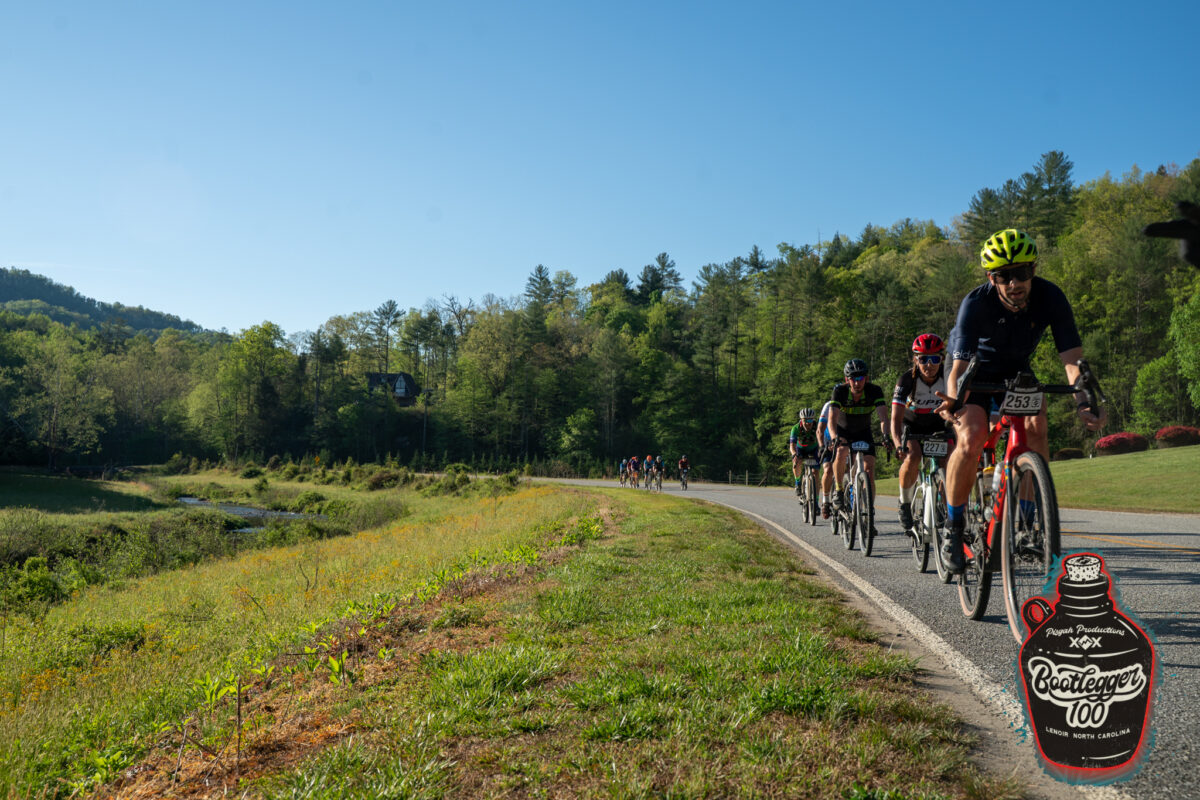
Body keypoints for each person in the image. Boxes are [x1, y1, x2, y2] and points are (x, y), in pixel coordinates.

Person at [935, 229, 1106, 573]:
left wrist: (1084, 401)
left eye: (1022, 272)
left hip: (1015, 371)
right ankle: (953, 527)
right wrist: (954, 401)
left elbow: (1073, 360)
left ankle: (1027, 525)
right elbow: (958, 371)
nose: (1014, 283)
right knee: (971, 436)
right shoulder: (975, 303)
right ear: (991, 278)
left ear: (1034, 270)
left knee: (1036, 426)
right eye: (1004, 276)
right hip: (974, 371)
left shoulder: (1051, 297)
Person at [890, 334, 952, 530]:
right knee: (913, 456)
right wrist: (898, 444)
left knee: (950, 459)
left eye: (934, 358)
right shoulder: (906, 380)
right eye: (923, 359)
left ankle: (941, 502)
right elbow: (895, 419)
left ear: (942, 359)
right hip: (911, 424)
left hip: (939, 424)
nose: (929, 364)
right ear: (915, 359)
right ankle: (904, 503)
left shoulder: (948, 377)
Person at [828, 359, 890, 535]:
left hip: (864, 432)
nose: (857, 382)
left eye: (861, 378)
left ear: (866, 378)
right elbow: (832, 420)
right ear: (846, 379)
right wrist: (834, 438)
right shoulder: (839, 391)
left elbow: (883, 418)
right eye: (853, 378)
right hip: (843, 431)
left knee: (869, 470)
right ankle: (839, 489)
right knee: (841, 451)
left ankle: (868, 514)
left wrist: (886, 436)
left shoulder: (874, 391)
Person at [789, 408, 820, 495]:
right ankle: (798, 483)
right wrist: (794, 454)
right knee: (796, 462)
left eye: (810, 420)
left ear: (813, 419)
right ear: (801, 420)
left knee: (816, 472)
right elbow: (792, 446)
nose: (807, 423)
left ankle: (816, 499)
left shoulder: (818, 426)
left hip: (814, 449)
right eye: (805, 420)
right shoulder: (795, 428)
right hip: (800, 449)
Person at [817, 398, 836, 519]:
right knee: (828, 469)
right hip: (828, 440)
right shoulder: (828, 405)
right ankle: (826, 500)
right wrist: (822, 446)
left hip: (845, 440)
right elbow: (820, 430)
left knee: (849, 469)